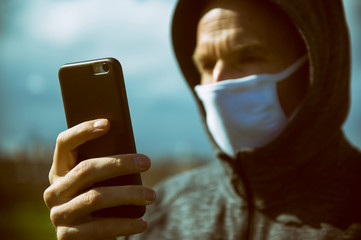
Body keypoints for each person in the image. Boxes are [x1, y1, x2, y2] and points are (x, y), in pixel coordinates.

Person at [43, 0, 361, 239]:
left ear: (318, 70)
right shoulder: (158, 213)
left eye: (248, 57)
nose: (218, 82)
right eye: (207, 63)